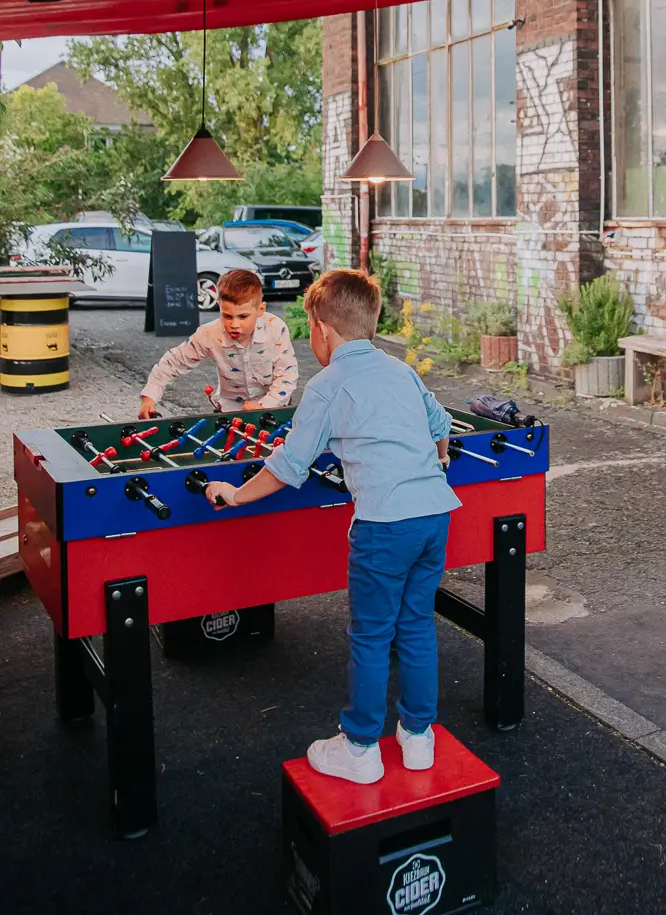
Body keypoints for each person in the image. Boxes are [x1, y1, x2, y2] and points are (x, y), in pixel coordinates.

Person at [204, 268, 459, 784]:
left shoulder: (326, 384)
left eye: (309, 332)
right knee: (415, 626)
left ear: (322, 329)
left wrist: (234, 494)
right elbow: (441, 427)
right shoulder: (401, 370)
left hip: (385, 526)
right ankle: (417, 738)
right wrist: (436, 463)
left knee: (369, 636)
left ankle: (361, 748)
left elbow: (287, 467)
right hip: (435, 515)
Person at [138, 268, 298, 419]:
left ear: (261, 310)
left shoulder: (276, 328)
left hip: (273, 409)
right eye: (227, 316)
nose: (234, 324)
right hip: (228, 412)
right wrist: (149, 396)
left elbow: (287, 375)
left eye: (243, 317)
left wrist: (264, 406)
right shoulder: (209, 334)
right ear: (219, 307)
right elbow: (173, 362)